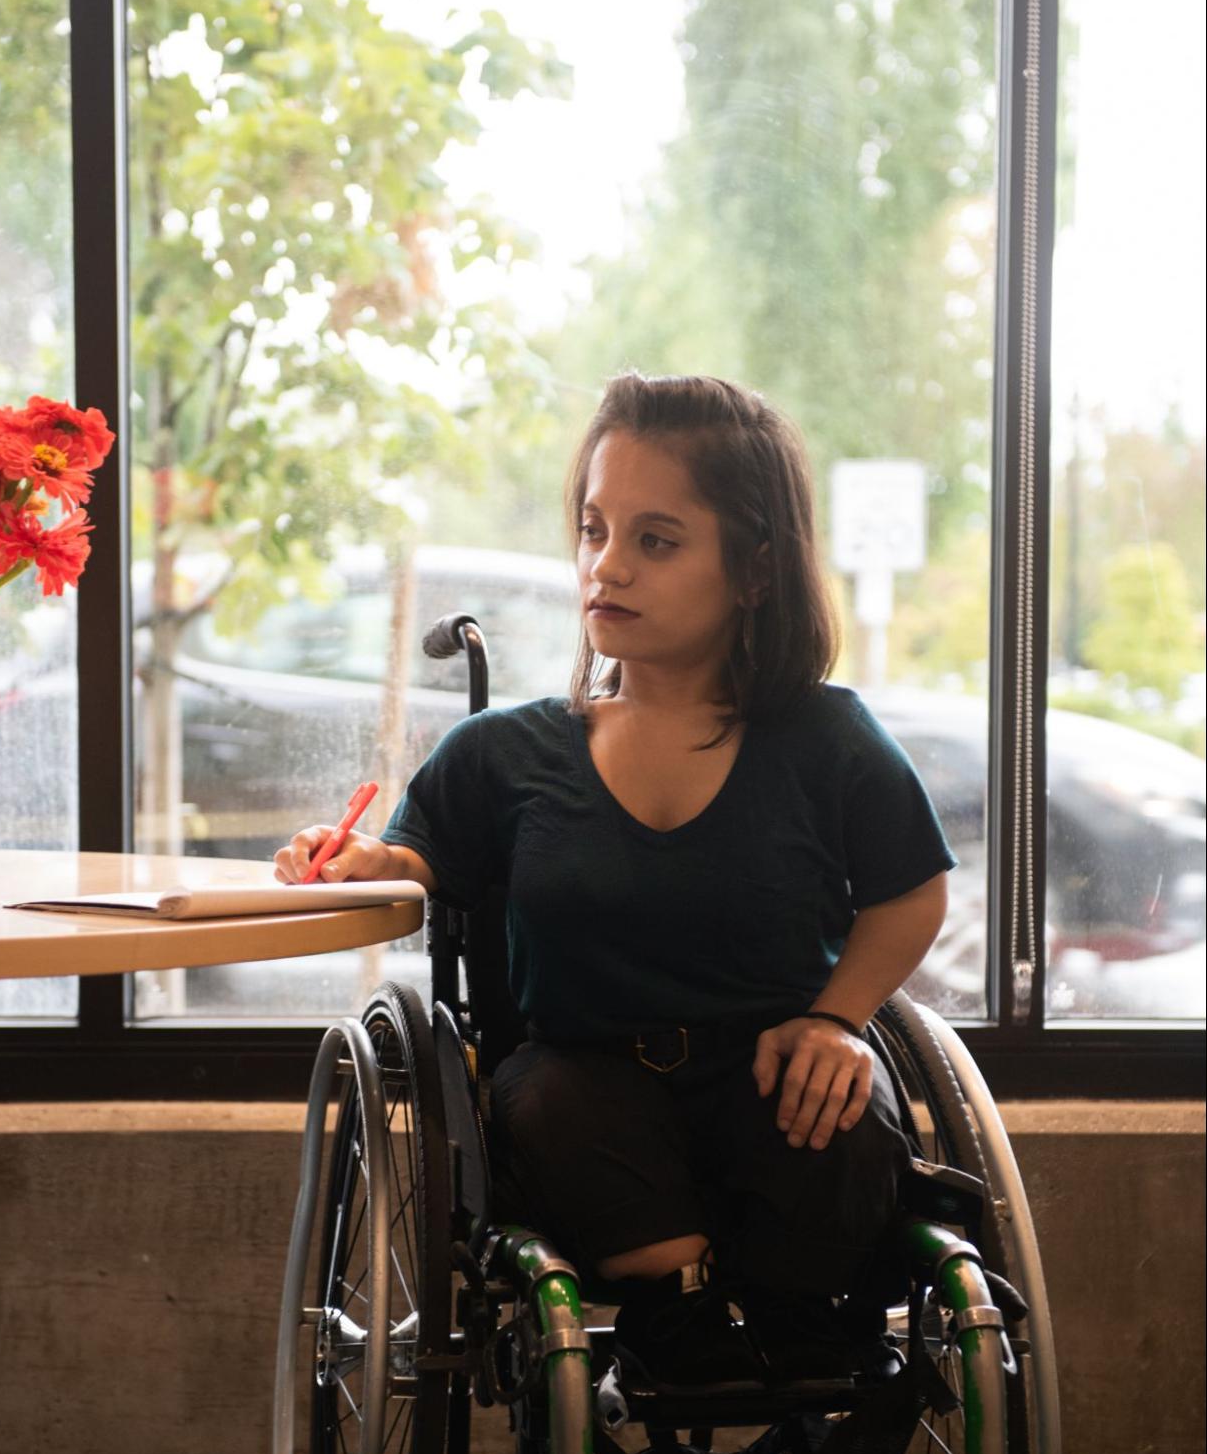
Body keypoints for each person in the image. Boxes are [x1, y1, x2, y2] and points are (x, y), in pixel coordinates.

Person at [275, 374, 955, 1393]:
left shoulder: (827, 739)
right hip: (582, 1101)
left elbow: (909, 893)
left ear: (756, 570)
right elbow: (420, 864)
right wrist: (360, 862)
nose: (606, 566)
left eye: (654, 539)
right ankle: (670, 1317)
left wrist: (836, 1020)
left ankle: (802, 1317)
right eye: (593, 531)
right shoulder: (502, 753)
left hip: (767, 1073)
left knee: (837, 1116)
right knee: (546, 1098)